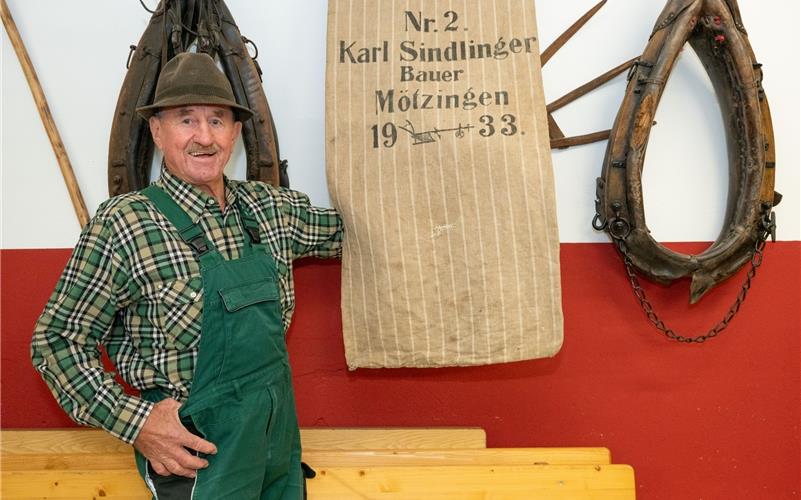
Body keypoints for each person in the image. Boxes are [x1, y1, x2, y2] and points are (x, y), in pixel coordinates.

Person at [31, 52, 342, 499]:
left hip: (276, 446)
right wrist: (136, 423)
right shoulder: (126, 223)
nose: (204, 137)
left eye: (217, 121)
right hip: (197, 458)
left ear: (235, 133)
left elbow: (359, 230)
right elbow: (56, 340)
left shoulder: (271, 209)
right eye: (185, 120)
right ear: (157, 131)